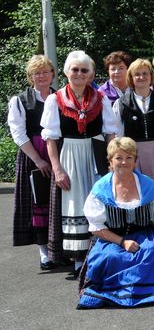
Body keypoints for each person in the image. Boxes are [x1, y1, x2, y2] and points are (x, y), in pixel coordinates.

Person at [41, 50, 120, 278]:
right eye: (74, 69)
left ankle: (98, 255)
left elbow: (110, 133)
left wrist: (111, 161)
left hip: (96, 154)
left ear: (91, 74)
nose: (79, 74)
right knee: (74, 203)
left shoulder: (100, 99)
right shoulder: (55, 100)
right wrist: (57, 168)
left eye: (84, 70)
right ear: (66, 72)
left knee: (98, 202)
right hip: (70, 156)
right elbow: (51, 139)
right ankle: (78, 262)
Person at [77, 137, 154, 308]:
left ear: (135, 161)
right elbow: (96, 228)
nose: (124, 162)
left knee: (149, 252)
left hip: (143, 234)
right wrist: (123, 242)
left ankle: (143, 292)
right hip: (111, 237)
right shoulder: (101, 189)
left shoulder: (147, 185)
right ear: (110, 161)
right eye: (119, 158)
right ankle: (114, 293)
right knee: (109, 256)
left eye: (129, 157)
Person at [8, 55, 59, 269]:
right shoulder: (20, 100)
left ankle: (59, 250)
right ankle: (44, 253)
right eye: (37, 73)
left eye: (45, 71)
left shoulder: (60, 97)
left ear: (52, 74)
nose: (41, 76)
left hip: (56, 152)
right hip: (33, 155)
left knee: (57, 203)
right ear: (31, 77)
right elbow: (18, 133)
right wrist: (37, 159)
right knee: (37, 202)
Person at [113, 59, 154, 179]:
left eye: (145, 73)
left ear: (151, 76)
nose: (141, 77)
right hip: (132, 153)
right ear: (131, 78)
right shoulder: (121, 103)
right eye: (137, 74)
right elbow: (119, 136)